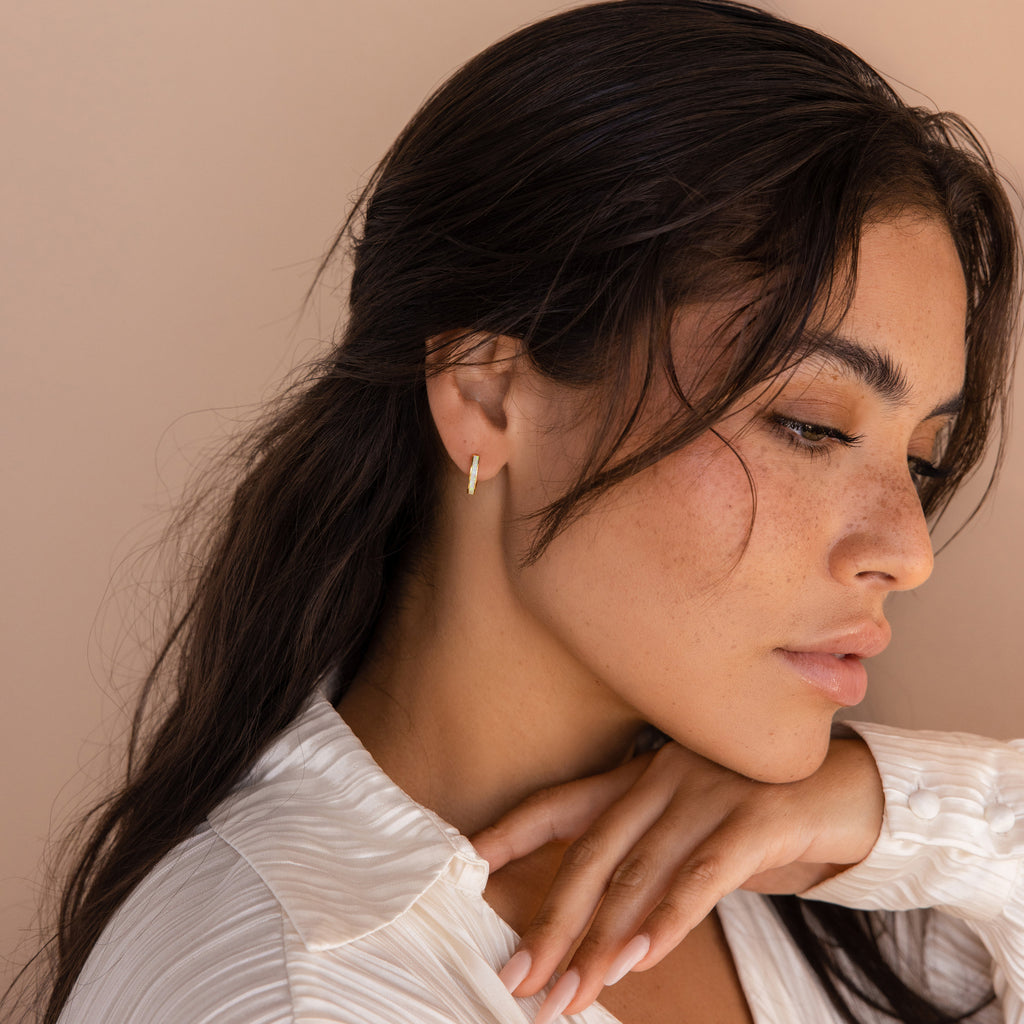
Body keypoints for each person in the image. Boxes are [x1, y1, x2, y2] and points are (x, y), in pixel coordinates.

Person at [10, 0, 1022, 1021]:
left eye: (924, 461)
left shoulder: (836, 888)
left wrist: (890, 812)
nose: (908, 548)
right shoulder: (297, 989)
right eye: (811, 424)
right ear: (489, 394)